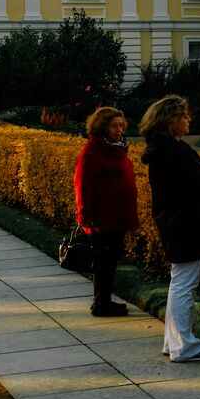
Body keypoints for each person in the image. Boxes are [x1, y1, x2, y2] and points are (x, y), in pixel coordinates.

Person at [140, 95, 200, 362]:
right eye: (184, 116)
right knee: (184, 284)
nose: (189, 120)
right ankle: (184, 346)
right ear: (171, 121)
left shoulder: (165, 149)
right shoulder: (174, 151)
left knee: (180, 281)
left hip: (176, 222)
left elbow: (193, 180)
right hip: (184, 224)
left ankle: (175, 341)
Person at [73, 107, 139, 317]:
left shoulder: (117, 147)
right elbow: (82, 183)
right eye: (114, 126)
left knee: (110, 258)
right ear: (103, 126)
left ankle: (104, 300)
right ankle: (101, 303)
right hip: (103, 217)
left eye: (121, 125)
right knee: (104, 260)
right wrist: (84, 214)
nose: (119, 129)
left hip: (118, 214)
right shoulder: (93, 149)